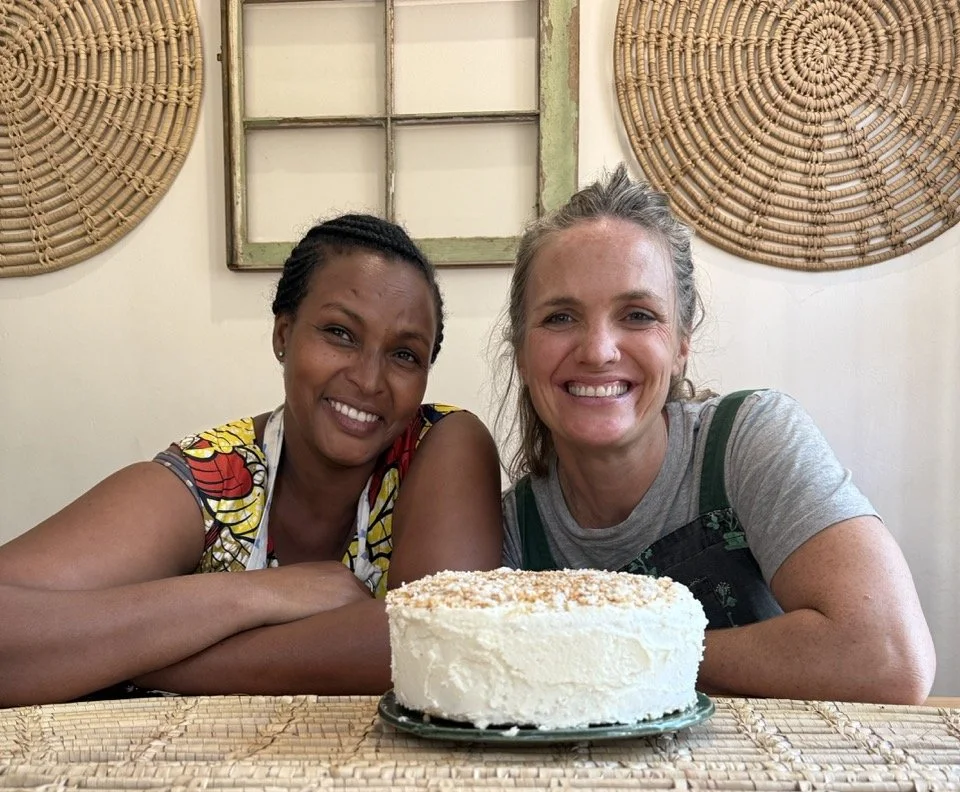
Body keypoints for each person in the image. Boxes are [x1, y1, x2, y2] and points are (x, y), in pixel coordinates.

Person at [0, 214, 502, 706]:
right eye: (340, 333)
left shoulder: (440, 444)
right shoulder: (212, 477)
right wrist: (257, 595)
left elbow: (441, 644)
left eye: (404, 355)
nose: (369, 380)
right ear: (284, 335)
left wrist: (126, 656)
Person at [498, 166, 935, 703]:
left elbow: (888, 658)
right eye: (561, 318)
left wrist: (616, 655)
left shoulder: (749, 440)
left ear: (681, 343)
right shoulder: (511, 531)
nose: (598, 351)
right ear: (522, 352)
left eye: (637, 315)